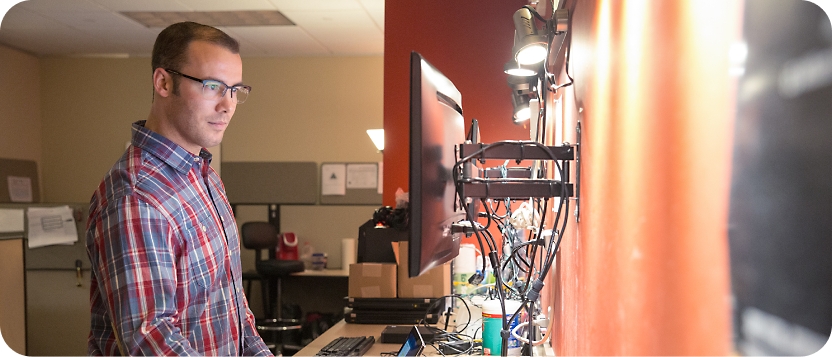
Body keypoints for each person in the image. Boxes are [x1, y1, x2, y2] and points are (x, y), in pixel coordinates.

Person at [85, 21, 271, 356]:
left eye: (235, 90)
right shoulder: (136, 197)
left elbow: (233, 309)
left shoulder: (205, 177)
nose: (228, 105)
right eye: (212, 86)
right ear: (164, 82)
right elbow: (151, 341)